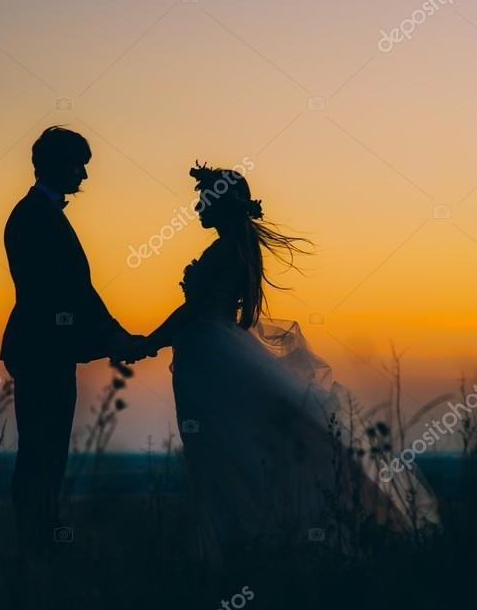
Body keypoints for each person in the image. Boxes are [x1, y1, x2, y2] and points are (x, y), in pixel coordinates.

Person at [131, 162, 437, 555]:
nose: (197, 207)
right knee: (228, 452)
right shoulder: (234, 247)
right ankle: (252, 545)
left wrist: (145, 344)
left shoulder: (226, 251)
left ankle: (244, 545)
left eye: (204, 199)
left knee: (223, 454)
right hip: (210, 354)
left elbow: (195, 310)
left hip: (210, 361)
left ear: (222, 203)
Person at [0, 126, 141, 552]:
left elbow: (74, 294)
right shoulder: (34, 217)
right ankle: (37, 541)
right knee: (42, 451)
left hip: (46, 348)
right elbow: (66, 293)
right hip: (42, 349)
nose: (84, 175)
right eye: (78, 165)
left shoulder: (41, 214)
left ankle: (39, 536)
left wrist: (110, 335)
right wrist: (113, 337)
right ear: (56, 165)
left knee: (46, 451)